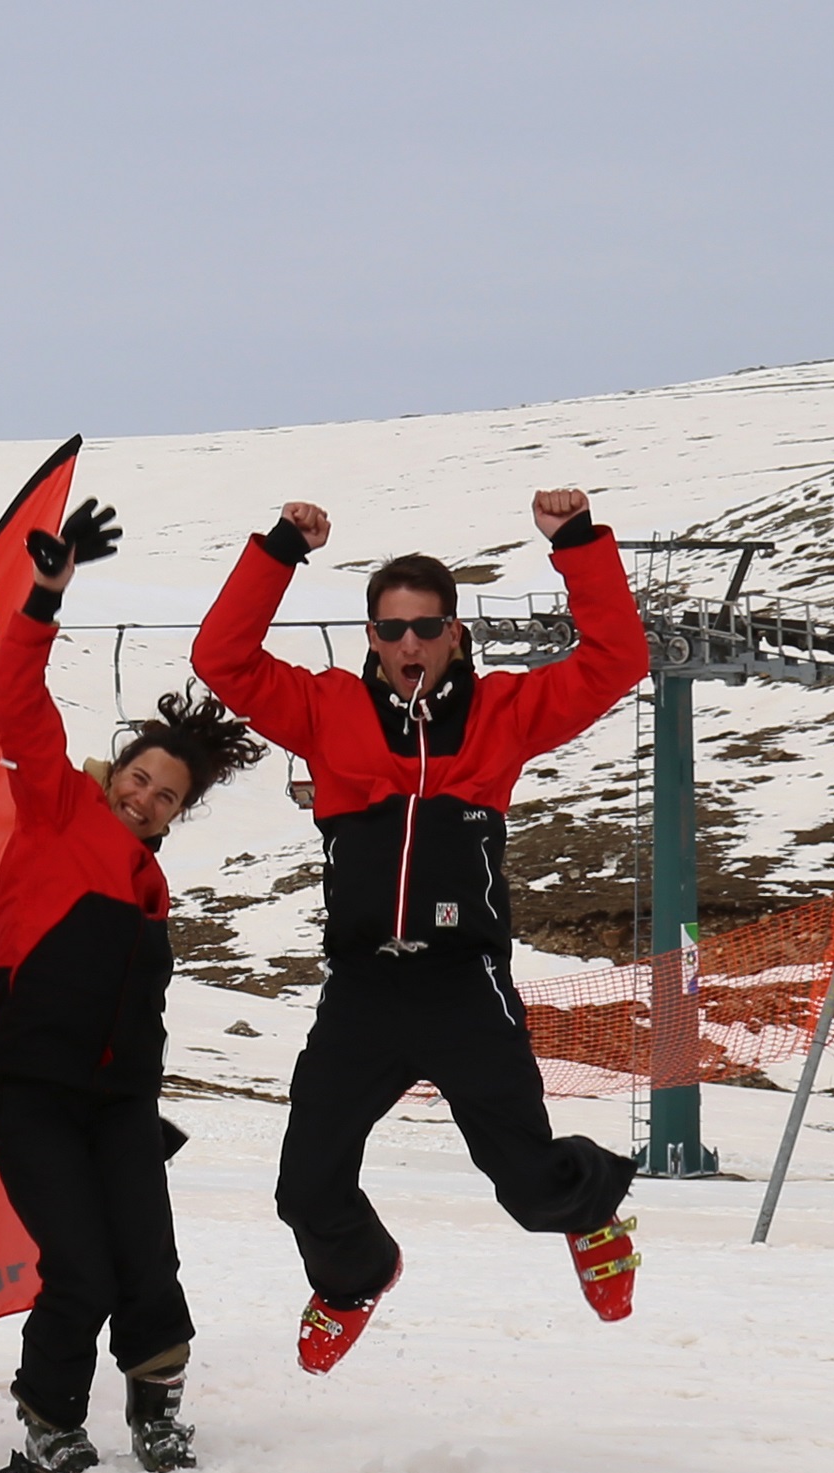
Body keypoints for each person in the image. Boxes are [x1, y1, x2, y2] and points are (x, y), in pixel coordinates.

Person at [192, 489, 649, 1372]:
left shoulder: (505, 713)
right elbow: (222, 657)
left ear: (454, 637)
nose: (410, 644)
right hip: (364, 990)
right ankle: (355, 1277)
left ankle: (591, 1216)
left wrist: (578, 544)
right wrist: (280, 550)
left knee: (528, 1183)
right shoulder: (324, 710)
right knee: (306, 1184)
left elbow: (615, 659)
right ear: (371, 637)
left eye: (427, 627)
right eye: (393, 629)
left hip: (462, 986)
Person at [0, 500, 264, 1473]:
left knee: (149, 1263)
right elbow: (16, 698)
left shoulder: (151, 886)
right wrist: (46, 593)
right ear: (119, 770)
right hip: (34, 1092)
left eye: (167, 796)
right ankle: (51, 1418)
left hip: (121, 1103)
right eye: (141, 778)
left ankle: (156, 1412)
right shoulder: (57, 807)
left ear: (176, 813)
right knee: (82, 1266)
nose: (146, 797)